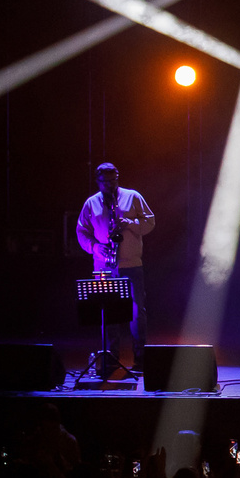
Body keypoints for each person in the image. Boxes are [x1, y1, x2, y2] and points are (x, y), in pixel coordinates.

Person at [78, 161, 156, 375]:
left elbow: (150, 223)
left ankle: (140, 359)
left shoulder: (132, 197)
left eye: (113, 181)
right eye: (105, 182)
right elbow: (81, 231)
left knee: (136, 312)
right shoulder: (91, 203)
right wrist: (95, 247)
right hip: (104, 265)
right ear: (98, 182)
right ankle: (110, 359)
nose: (110, 186)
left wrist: (129, 223)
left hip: (132, 265)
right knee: (107, 313)